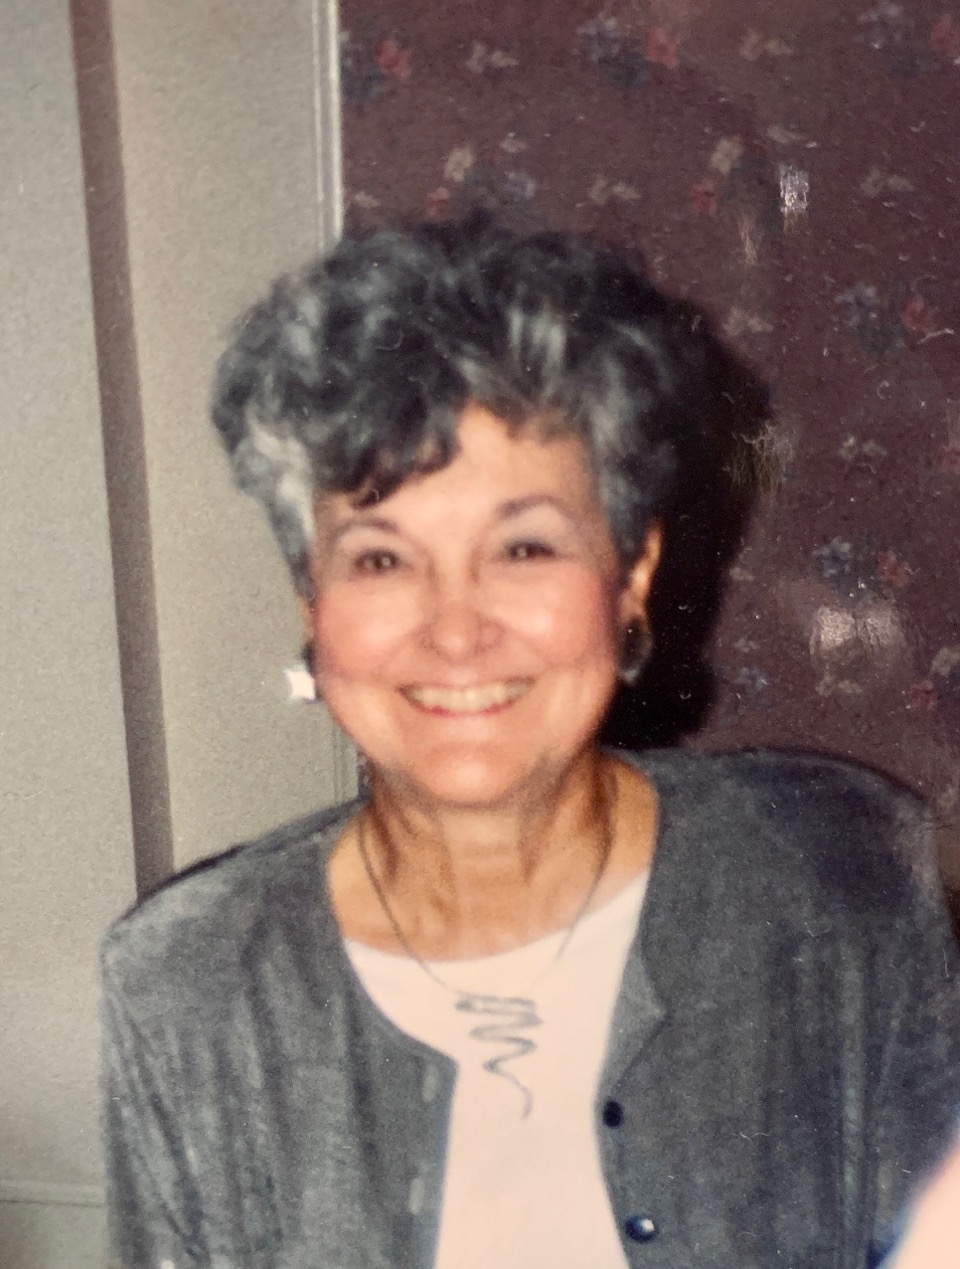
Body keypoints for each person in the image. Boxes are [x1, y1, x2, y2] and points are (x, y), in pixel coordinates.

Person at [100, 220, 960, 1269]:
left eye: (523, 547)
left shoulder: (835, 875)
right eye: (381, 560)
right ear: (310, 602)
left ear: (630, 573)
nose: (456, 631)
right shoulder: (188, 984)